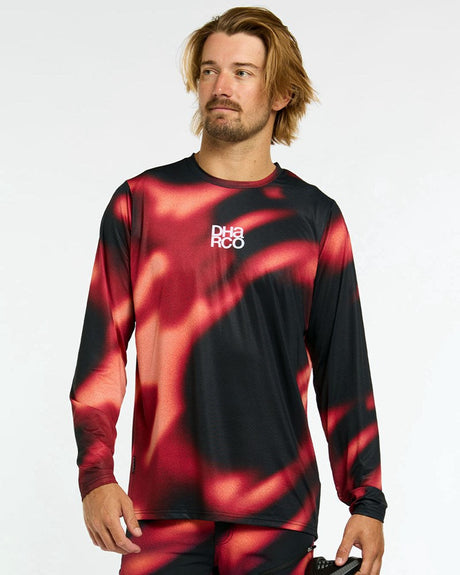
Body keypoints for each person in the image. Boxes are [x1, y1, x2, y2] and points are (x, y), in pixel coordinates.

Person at [71, 7, 387, 575]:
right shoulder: (142, 203)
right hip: (159, 514)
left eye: (243, 72)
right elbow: (103, 356)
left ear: (282, 92)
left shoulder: (314, 218)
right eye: (210, 70)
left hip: (277, 512)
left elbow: (344, 368)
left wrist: (366, 500)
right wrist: (96, 476)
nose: (221, 86)